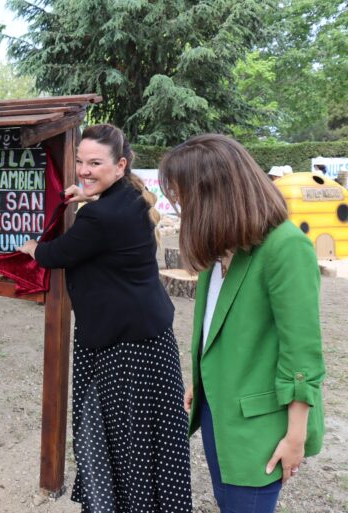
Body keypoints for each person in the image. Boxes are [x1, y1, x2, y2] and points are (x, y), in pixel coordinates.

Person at [17, 124, 192, 512]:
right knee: (149, 439)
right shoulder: (128, 195)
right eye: (80, 161)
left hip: (124, 346)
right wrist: (85, 197)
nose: (84, 170)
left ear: (121, 164)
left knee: (118, 437)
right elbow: (102, 217)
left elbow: (54, 254)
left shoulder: (100, 218)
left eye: (95, 163)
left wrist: (31, 247)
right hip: (148, 339)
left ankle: (124, 504)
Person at [159, 134, 325, 513]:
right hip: (218, 411)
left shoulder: (285, 247)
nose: (180, 205)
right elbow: (220, 331)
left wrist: (295, 438)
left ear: (215, 192)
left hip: (260, 427)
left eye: (184, 195)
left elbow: (301, 354)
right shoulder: (220, 246)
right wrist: (200, 380)